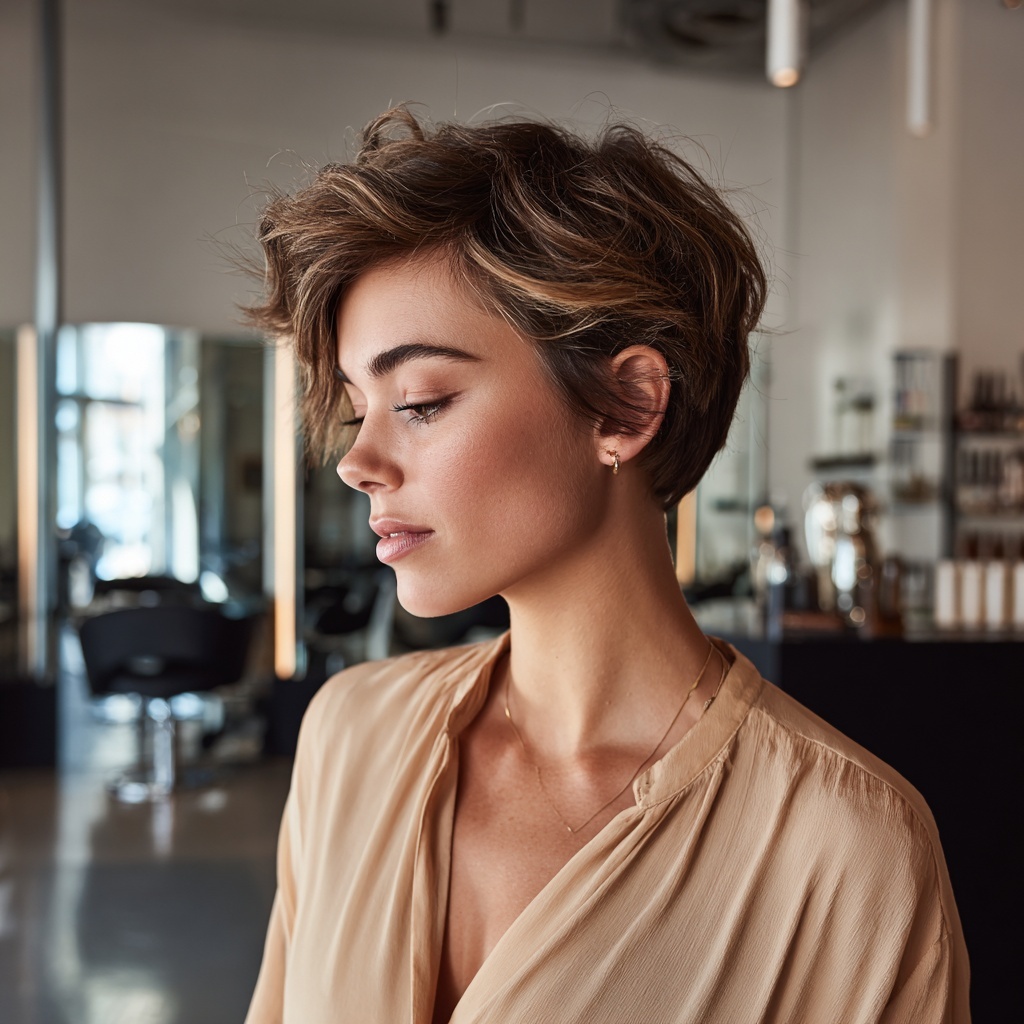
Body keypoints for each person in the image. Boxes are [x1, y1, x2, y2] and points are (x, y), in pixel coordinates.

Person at [243, 107, 969, 1024]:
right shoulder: (350, 736)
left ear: (625, 405)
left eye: (421, 401)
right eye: (358, 411)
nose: (357, 461)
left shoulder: (845, 850)